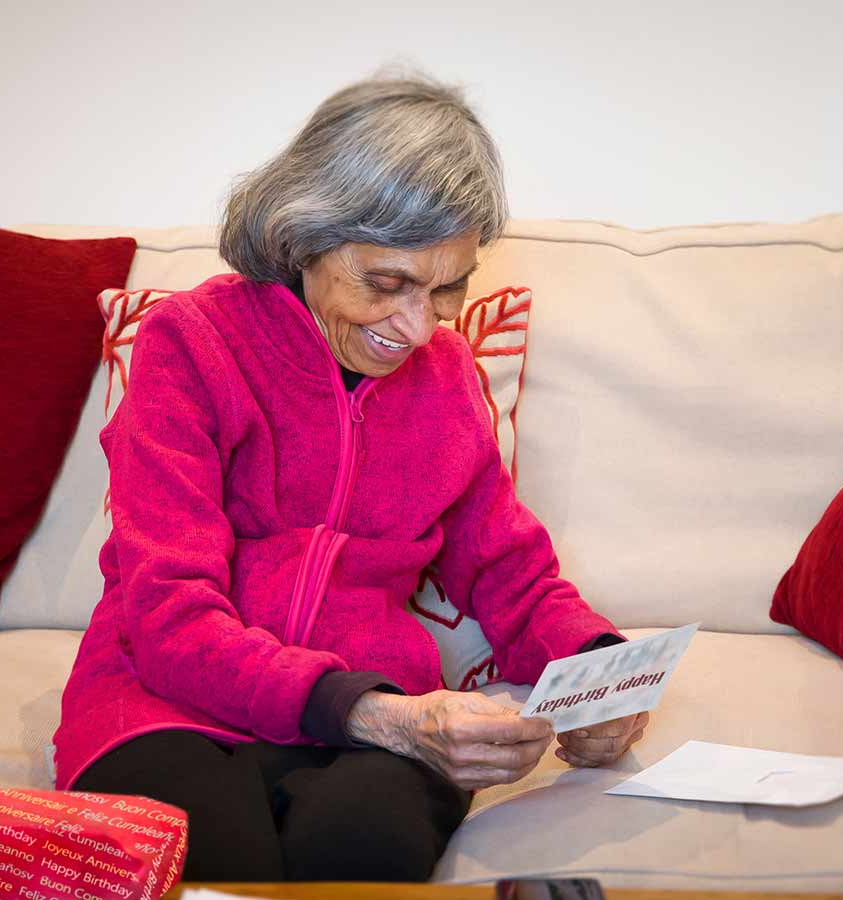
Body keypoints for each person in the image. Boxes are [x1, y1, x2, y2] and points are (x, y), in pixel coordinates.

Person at [52, 73, 648, 883]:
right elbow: (169, 617)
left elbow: (511, 573)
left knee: (365, 852)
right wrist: (373, 714)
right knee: (219, 864)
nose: (418, 327)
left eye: (448, 287)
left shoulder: (448, 378)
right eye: (387, 283)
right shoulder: (189, 345)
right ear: (303, 238)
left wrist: (601, 672)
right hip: (168, 704)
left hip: (380, 716)